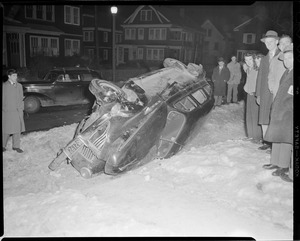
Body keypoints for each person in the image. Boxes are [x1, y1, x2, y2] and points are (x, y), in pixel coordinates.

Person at [263, 44, 293, 181]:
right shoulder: (286, 72)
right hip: (279, 110)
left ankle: (283, 165)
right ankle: (275, 161)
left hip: (287, 112)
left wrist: (286, 109)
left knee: (285, 138)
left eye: (290, 58)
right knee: (277, 136)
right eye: (285, 58)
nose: (287, 61)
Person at [255, 30, 280, 151]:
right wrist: (258, 94)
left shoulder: (282, 56)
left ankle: (275, 142)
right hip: (264, 92)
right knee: (264, 116)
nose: (268, 44)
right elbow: (260, 77)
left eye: (271, 41)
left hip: (277, 92)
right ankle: (266, 141)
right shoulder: (264, 58)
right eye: (266, 42)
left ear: (277, 41)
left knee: (274, 116)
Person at [2, 69, 25, 153]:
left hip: (17, 111)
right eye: (14, 76)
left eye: (16, 75)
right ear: (9, 76)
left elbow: (21, 98)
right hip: (7, 111)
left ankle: (16, 146)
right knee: (6, 130)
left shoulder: (19, 86)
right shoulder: (4, 86)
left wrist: (21, 108)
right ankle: (3, 146)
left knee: (17, 129)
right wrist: (4, 109)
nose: (16, 77)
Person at [243, 53, 263, 144]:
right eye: (246, 60)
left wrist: (257, 93)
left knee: (256, 116)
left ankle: (258, 137)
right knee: (249, 115)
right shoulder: (248, 69)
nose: (248, 62)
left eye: (250, 60)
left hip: (255, 94)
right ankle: (250, 135)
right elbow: (243, 66)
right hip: (249, 94)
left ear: (254, 59)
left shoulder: (258, 69)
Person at [268, 34, 292, 100]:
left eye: (287, 42)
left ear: (292, 44)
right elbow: (271, 75)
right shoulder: (275, 59)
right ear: (279, 46)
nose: (284, 45)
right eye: (282, 43)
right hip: (277, 92)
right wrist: (272, 87)